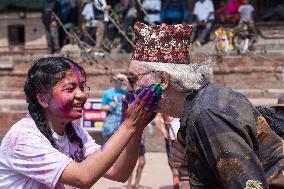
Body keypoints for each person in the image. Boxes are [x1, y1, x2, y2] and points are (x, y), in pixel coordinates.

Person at [127, 22, 284, 189]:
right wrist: (196, 164)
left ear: (162, 80)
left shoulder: (208, 115)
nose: (130, 88)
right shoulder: (195, 106)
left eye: (133, 79)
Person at [0, 57, 157, 188]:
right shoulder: (23, 138)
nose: (82, 95)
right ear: (43, 99)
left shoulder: (74, 132)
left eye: (82, 87)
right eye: (70, 89)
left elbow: (119, 172)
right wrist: (128, 126)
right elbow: (83, 177)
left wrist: (137, 129)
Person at [101, 73, 128, 139]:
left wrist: (125, 78)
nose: (118, 83)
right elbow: (102, 107)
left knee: (122, 139)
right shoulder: (107, 93)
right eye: (116, 81)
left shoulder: (125, 92)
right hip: (112, 119)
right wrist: (109, 106)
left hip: (123, 118)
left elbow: (134, 89)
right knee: (110, 138)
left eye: (120, 81)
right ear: (113, 82)